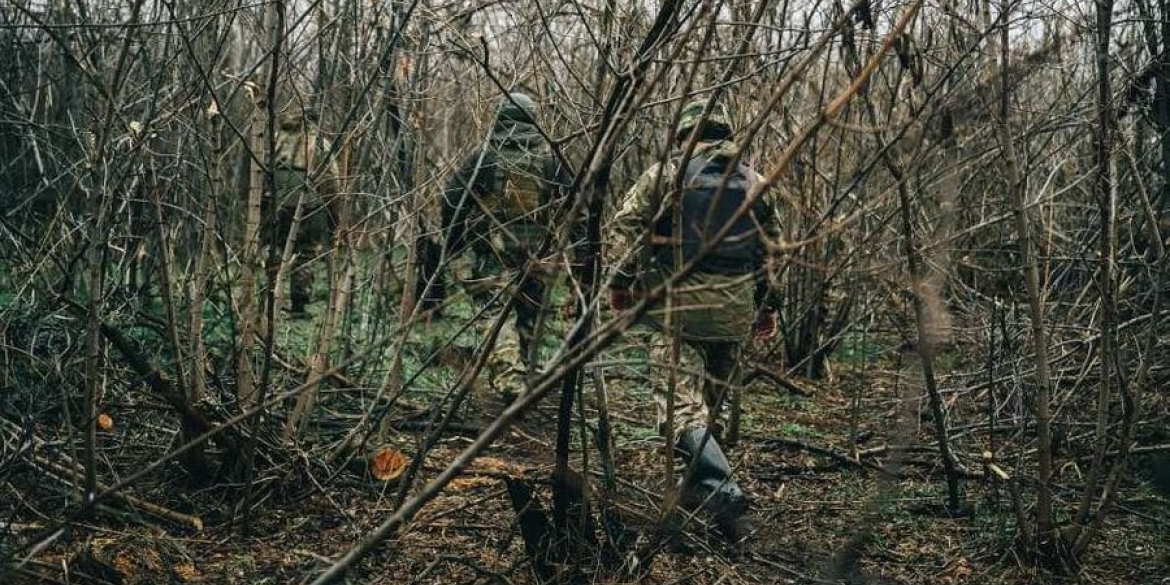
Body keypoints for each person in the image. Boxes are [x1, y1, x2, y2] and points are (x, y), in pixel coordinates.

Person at [606, 98, 783, 540]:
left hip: (678, 315)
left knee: (683, 413)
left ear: (685, 134)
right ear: (727, 133)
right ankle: (715, 512)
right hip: (733, 313)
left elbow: (625, 227)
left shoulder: (665, 175)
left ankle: (720, 491)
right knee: (711, 412)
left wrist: (622, 282)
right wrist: (768, 307)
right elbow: (771, 253)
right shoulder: (755, 182)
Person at [426, 92, 573, 399]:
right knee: (529, 314)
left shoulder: (485, 157)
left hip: (492, 252)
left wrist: (454, 243)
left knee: (494, 313)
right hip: (538, 254)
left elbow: (452, 200)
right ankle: (525, 375)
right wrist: (582, 257)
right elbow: (577, 207)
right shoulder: (551, 159)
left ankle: (510, 379)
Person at [268, 110, 339, 317]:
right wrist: (334, 214)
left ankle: (271, 299)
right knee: (306, 253)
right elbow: (331, 182)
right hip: (308, 204)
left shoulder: (274, 140)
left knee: (276, 251)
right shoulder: (318, 144)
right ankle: (299, 304)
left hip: (277, 204)